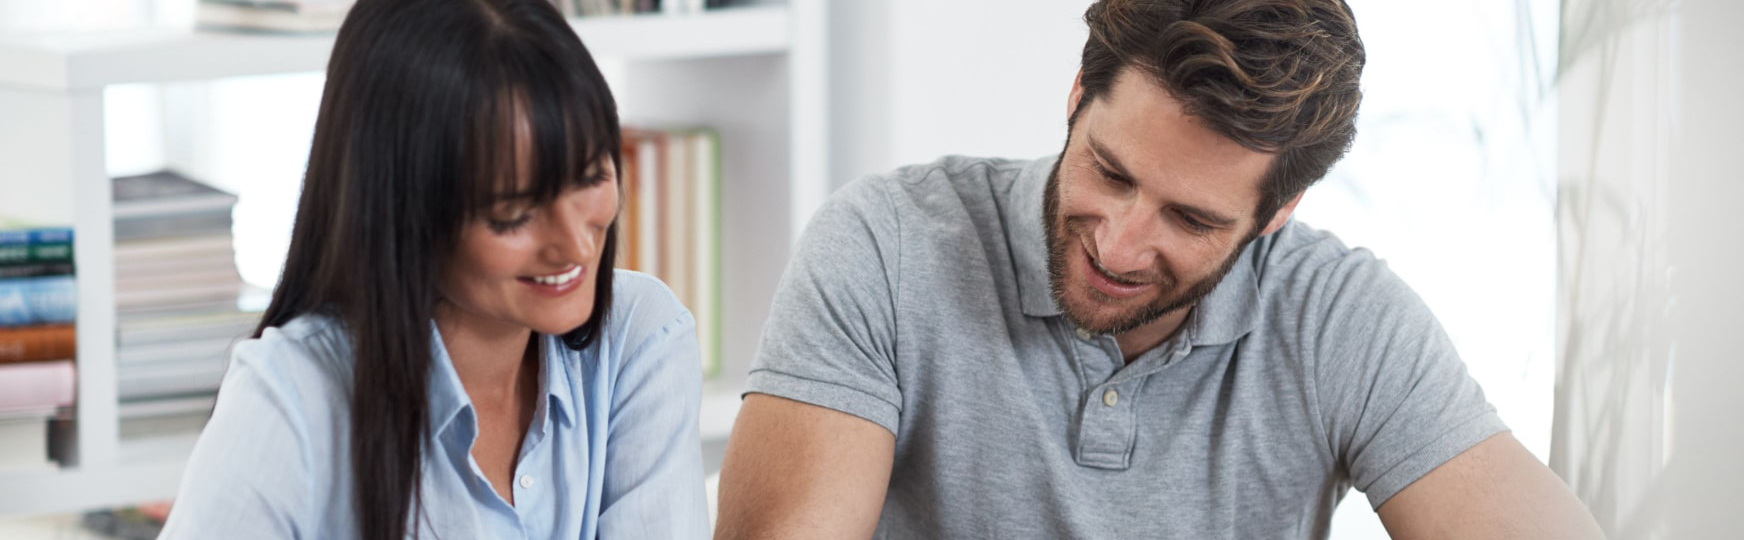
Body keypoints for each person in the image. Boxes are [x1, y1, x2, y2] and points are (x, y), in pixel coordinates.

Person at [715, 0, 1603, 538]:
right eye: (1110, 170)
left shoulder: (1341, 319)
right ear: (1076, 99)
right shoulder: (887, 244)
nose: (1120, 245)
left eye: (1190, 218)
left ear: (1276, 214)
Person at [158, 0, 707, 538]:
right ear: (404, 210)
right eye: (514, 215)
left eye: (590, 177)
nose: (573, 245)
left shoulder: (639, 339)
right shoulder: (291, 398)